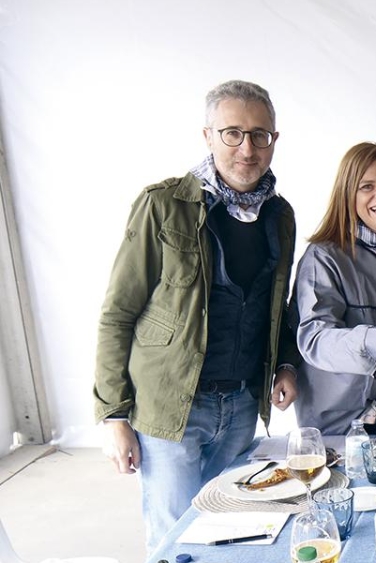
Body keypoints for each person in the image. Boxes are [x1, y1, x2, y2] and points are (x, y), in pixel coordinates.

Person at [94, 80, 299, 550]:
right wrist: (114, 416)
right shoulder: (162, 205)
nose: (247, 148)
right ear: (207, 136)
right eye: (232, 133)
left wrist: (286, 363)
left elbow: (278, 307)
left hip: (244, 405)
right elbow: (117, 313)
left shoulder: (280, 215)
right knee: (175, 544)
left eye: (259, 135)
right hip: (172, 411)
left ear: (274, 140)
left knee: (230, 534)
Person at [290, 143, 376, 435]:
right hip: (336, 426)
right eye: (367, 187)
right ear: (347, 193)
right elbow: (314, 339)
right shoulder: (324, 256)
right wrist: (375, 341)